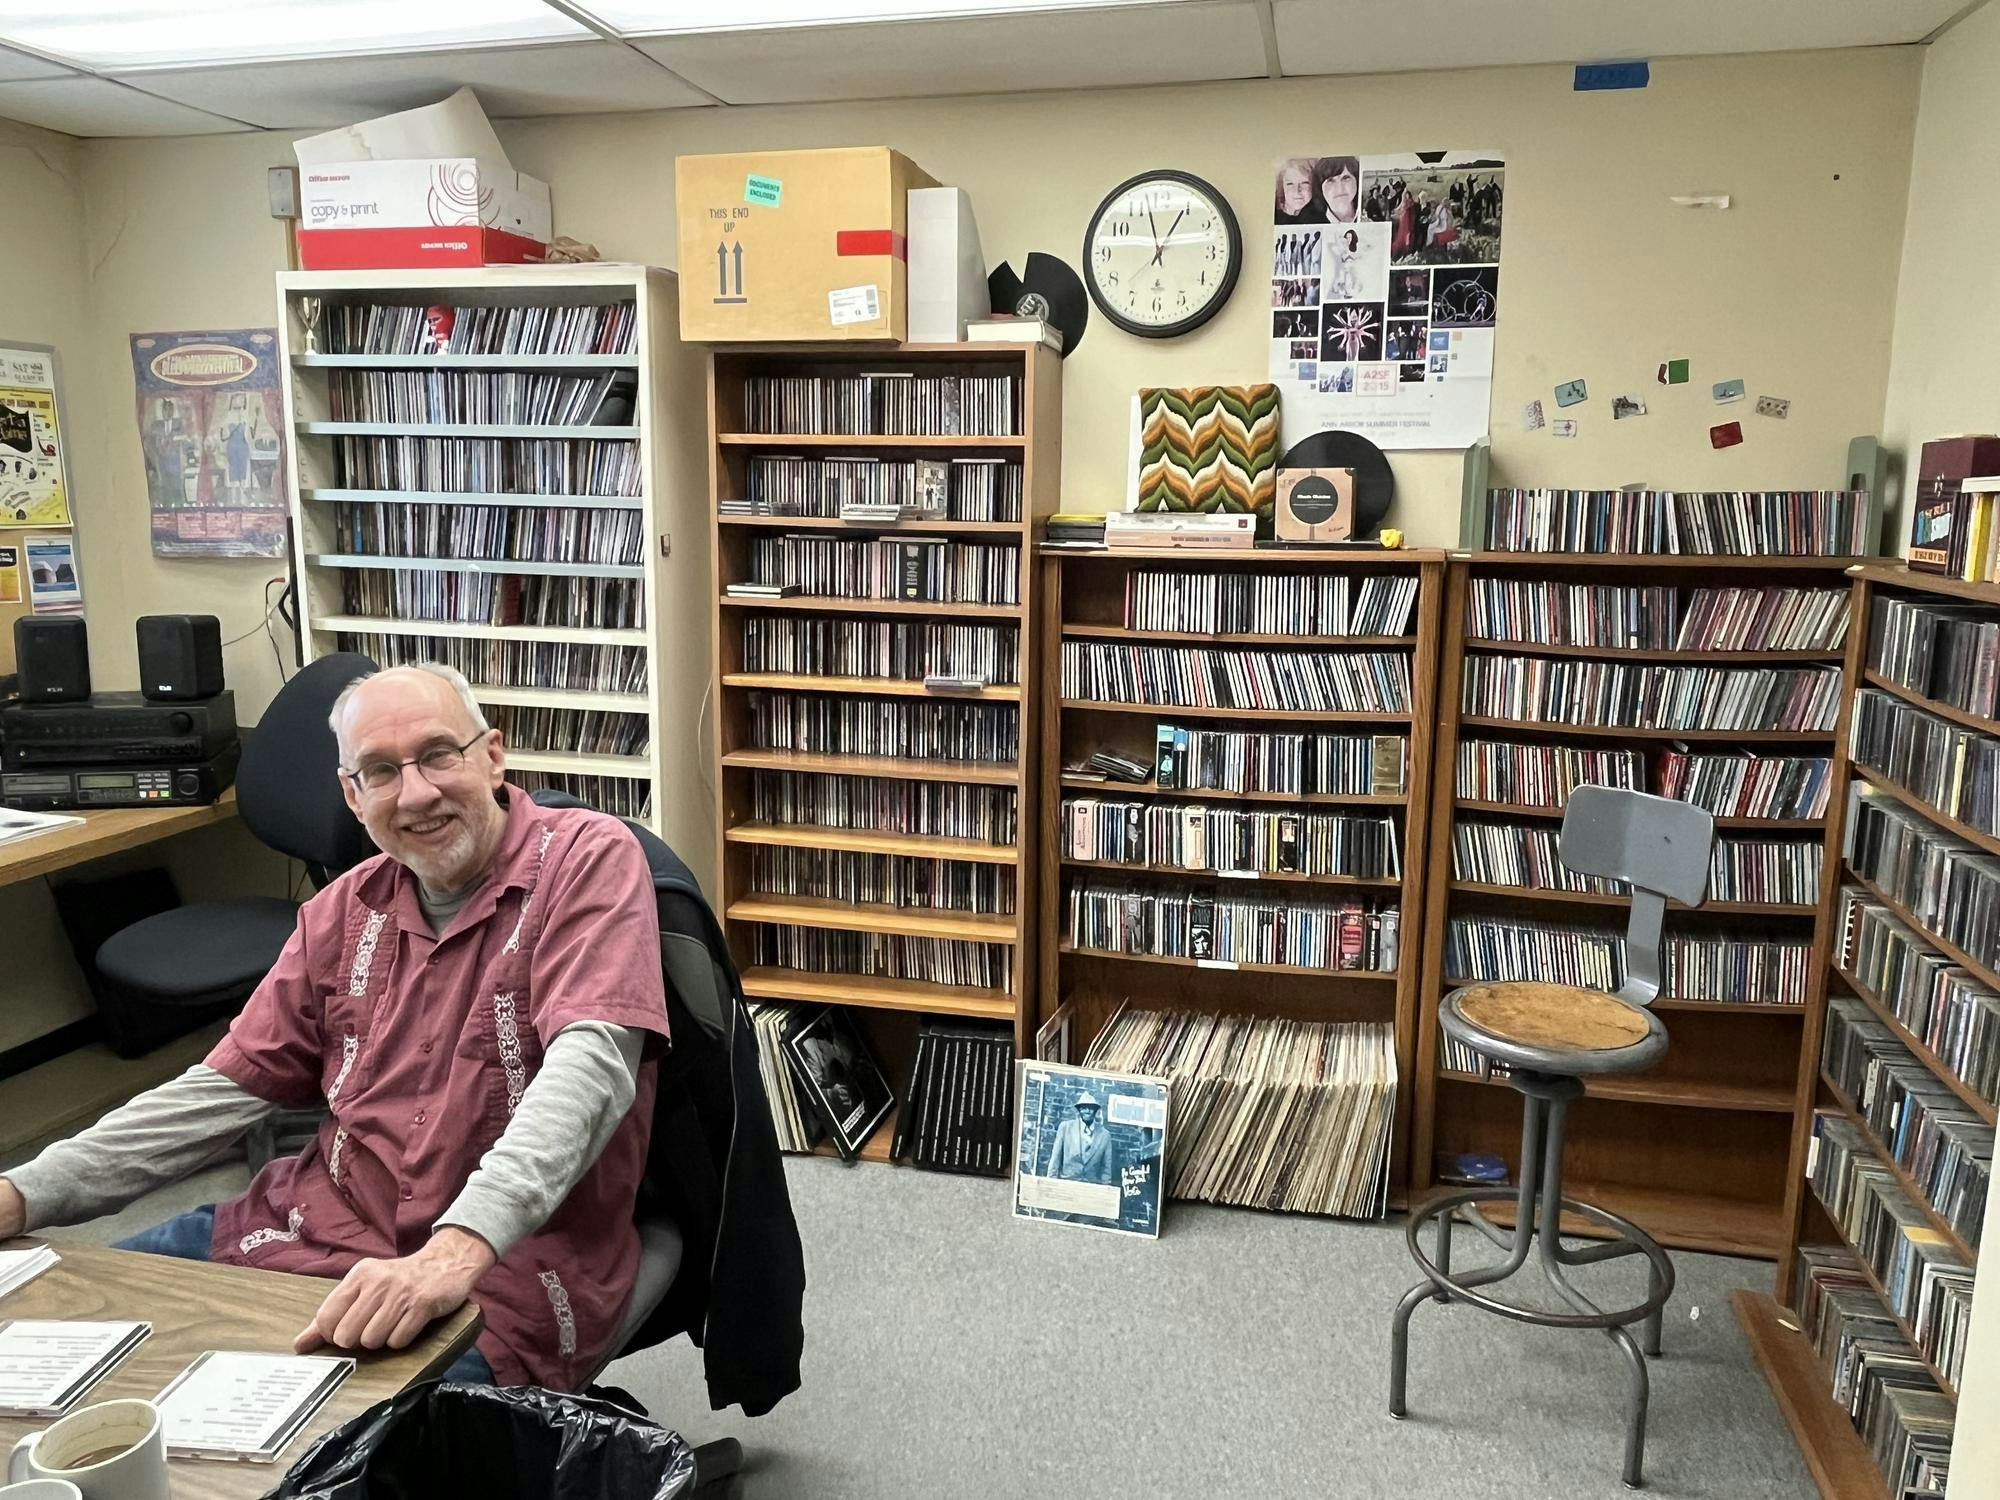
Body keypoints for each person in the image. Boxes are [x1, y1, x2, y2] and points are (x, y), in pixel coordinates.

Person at [0, 663, 671, 1392]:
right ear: (353, 797)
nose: (416, 793)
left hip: (505, 1264)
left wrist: (455, 1249)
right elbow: (217, 1093)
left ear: (493, 755)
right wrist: (24, 1192)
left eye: (439, 754)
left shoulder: (588, 858)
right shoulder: (340, 912)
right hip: (310, 1224)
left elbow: (591, 1067)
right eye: (381, 772)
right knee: (50, 1341)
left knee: (326, 1458)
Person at [1045, 1092, 1116, 1185]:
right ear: (1079, 1110)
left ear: (1095, 1110)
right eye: (1083, 1108)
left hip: (1091, 1187)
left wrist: (1105, 1188)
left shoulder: (1105, 1135)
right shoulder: (1066, 1127)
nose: (1087, 1111)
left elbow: (1106, 1167)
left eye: (1090, 1108)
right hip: (1067, 1184)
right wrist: (1051, 1184)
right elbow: (1055, 1158)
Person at [1274, 159, 1325, 224]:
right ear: (1282, 186)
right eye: (1290, 184)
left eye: (1305, 183)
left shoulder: (1321, 216)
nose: (1297, 191)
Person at [1315, 156, 1361, 224]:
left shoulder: (1370, 216)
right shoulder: (1309, 221)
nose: (1339, 188)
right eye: (1330, 180)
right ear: (1320, 187)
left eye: (1345, 178)